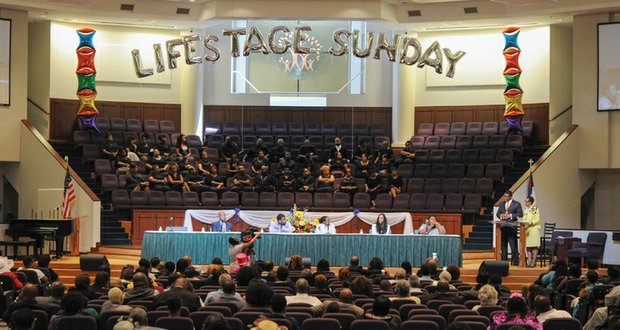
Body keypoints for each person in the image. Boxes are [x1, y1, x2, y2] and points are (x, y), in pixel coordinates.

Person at [496, 190, 523, 265]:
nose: (504, 198)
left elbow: (520, 214)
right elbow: (498, 213)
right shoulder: (502, 204)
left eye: (506, 196)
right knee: (503, 245)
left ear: (511, 197)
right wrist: (502, 215)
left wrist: (510, 215)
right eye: (504, 196)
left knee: (513, 245)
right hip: (503, 226)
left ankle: (515, 261)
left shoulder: (517, 204)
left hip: (511, 226)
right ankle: (504, 261)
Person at [523, 195, 540, 267]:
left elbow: (537, 219)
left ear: (530, 202)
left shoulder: (534, 209)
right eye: (525, 201)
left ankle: (534, 261)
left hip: (533, 229)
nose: (525, 202)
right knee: (528, 246)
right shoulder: (526, 210)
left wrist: (531, 222)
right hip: (527, 230)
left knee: (534, 246)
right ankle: (529, 261)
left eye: (526, 201)